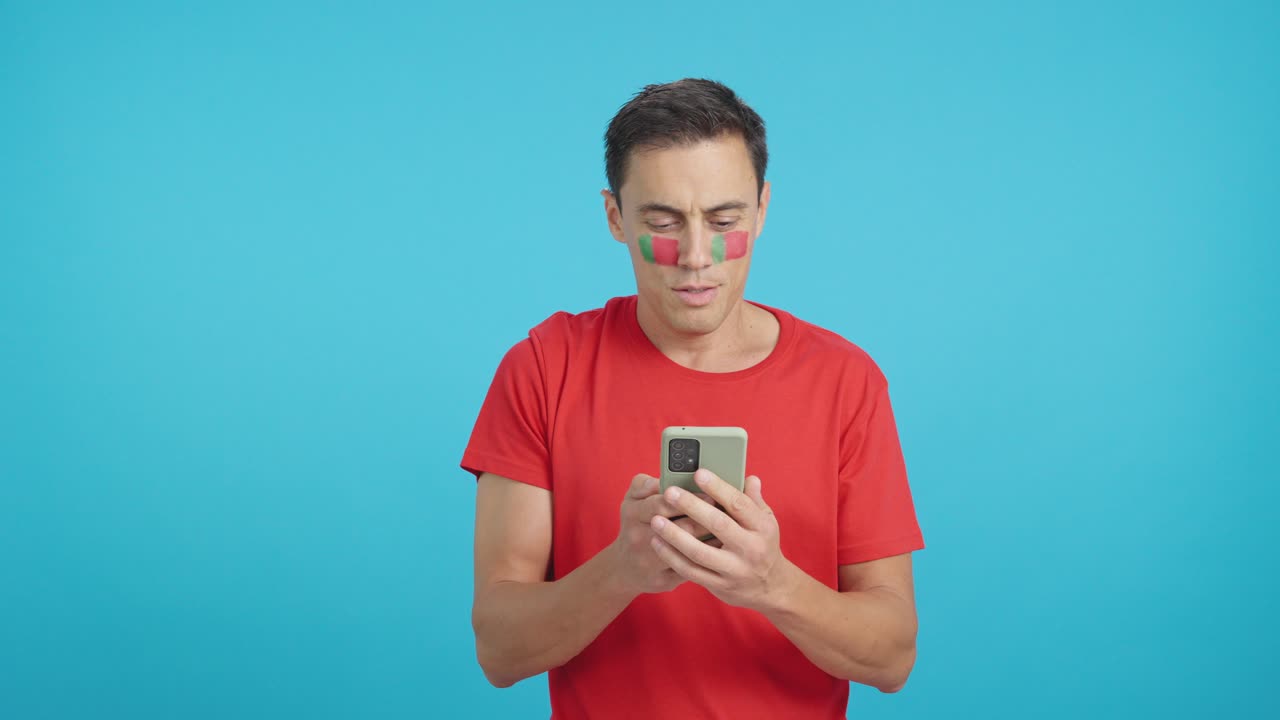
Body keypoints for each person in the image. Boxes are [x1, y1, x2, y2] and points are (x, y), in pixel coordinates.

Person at [461, 78, 924, 719]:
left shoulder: (847, 383)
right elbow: (499, 649)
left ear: (763, 210)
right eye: (663, 222)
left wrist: (773, 584)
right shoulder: (544, 368)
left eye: (725, 220)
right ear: (615, 217)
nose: (697, 258)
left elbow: (893, 657)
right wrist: (621, 571)